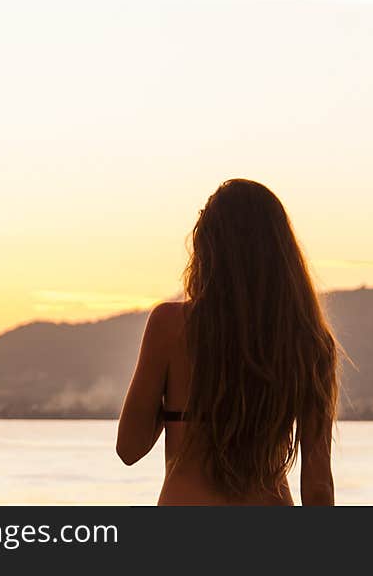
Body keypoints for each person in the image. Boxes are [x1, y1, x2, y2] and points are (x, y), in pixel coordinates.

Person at [116, 179, 339, 505]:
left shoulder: (170, 326)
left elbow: (129, 448)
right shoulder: (308, 342)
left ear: (207, 246)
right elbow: (318, 485)